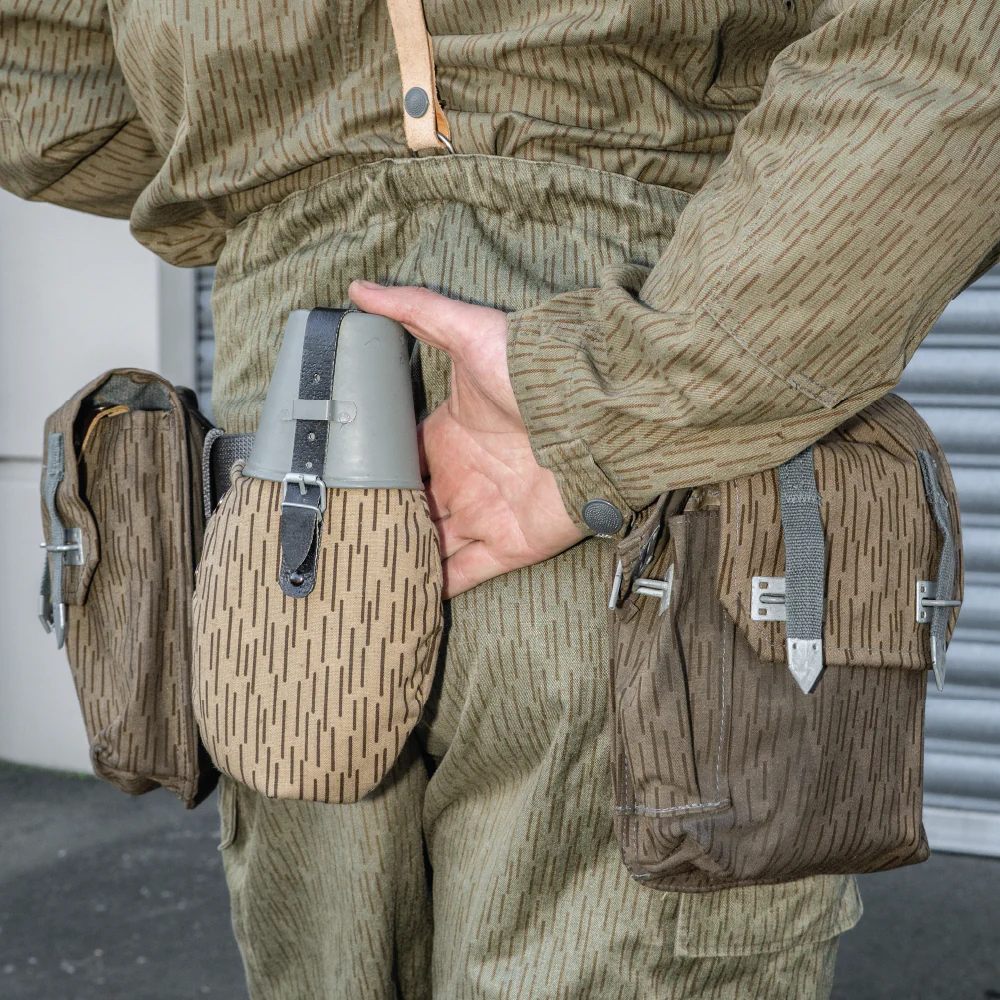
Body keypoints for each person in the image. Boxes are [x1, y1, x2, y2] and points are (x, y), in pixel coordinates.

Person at [2, 0, 997, 996]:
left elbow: (46, 101)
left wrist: (281, 154)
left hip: (359, 432)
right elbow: (949, 52)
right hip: (649, 381)